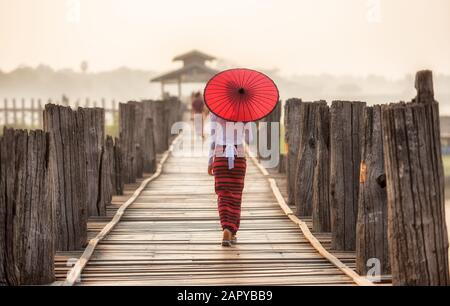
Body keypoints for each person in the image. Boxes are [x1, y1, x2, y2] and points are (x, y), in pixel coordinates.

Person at [208, 113, 253, 247]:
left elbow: (212, 139)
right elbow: (250, 140)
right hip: (238, 155)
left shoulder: (215, 112)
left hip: (220, 156)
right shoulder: (244, 111)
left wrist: (210, 161)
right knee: (236, 196)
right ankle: (231, 230)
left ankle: (226, 229)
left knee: (223, 195)